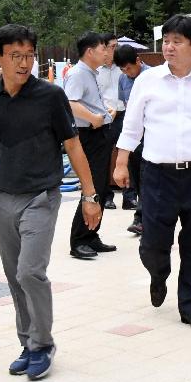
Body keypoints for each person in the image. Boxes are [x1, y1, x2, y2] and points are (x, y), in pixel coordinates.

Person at [0, 24, 101, 381]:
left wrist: (90, 196)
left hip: (41, 196)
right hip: (2, 197)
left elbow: (73, 146)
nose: (25, 63)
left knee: (30, 272)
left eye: (30, 56)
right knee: (14, 277)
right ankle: (27, 343)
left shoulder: (50, 96)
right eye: (16, 56)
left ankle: (43, 344)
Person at [113, 14, 191, 331]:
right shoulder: (147, 82)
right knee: (153, 242)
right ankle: (158, 273)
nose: (169, 47)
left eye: (177, 41)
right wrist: (122, 162)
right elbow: (132, 127)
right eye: (166, 40)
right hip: (156, 175)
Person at [63, 32, 118, 260]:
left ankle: (91, 234)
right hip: (88, 135)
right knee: (91, 187)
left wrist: (104, 113)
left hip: (99, 133)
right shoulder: (77, 73)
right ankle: (78, 240)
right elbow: (69, 102)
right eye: (102, 48)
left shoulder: (90, 73)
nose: (106, 53)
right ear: (90, 51)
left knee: (102, 187)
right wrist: (94, 118)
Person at [113, 44, 150, 235]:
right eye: (122, 69)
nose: (126, 72)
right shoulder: (123, 80)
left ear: (138, 60)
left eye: (128, 68)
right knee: (136, 177)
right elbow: (127, 108)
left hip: (151, 136)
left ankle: (141, 217)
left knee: (147, 178)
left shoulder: (152, 76)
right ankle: (142, 216)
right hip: (133, 137)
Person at [96, 33, 126, 210]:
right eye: (113, 46)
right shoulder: (96, 69)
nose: (116, 49)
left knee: (129, 154)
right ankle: (106, 196)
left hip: (124, 115)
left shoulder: (122, 66)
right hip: (105, 117)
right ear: (104, 48)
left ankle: (130, 196)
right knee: (104, 158)